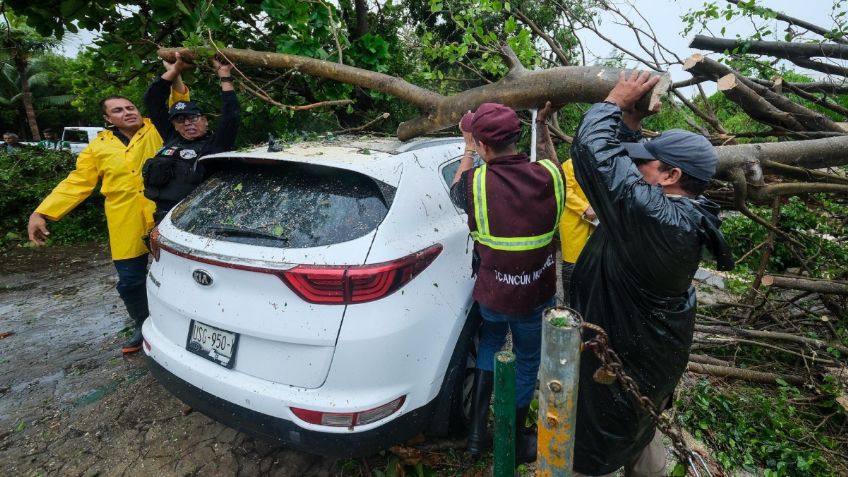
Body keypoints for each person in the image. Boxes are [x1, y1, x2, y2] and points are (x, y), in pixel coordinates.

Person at [569, 71, 734, 476]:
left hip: (623, 356)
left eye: (648, 162)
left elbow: (595, 153)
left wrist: (611, 102)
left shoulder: (656, 217)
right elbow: (622, 159)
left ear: (672, 175)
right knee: (637, 425)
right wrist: (631, 119)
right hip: (647, 354)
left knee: (599, 439)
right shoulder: (681, 212)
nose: (637, 165)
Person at [27, 72, 190, 355]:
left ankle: (187, 325)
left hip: (165, 214)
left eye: (130, 107)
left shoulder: (159, 129)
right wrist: (42, 212)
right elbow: (77, 183)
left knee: (180, 273)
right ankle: (143, 323)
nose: (127, 112)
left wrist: (175, 72)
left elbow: (180, 102)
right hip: (123, 219)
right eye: (118, 110)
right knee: (130, 280)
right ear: (107, 119)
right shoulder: (98, 147)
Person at [450, 103, 565, 464]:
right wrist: (542, 125)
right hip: (534, 293)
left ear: (483, 147)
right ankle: (512, 438)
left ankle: (475, 435)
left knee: (491, 343)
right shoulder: (551, 176)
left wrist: (467, 148)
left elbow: (455, 192)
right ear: (518, 137)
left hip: (494, 293)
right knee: (529, 358)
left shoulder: (475, 183)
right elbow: (550, 159)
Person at [142, 53, 240, 224]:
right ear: (174, 125)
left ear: (205, 120)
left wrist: (224, 75)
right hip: (163, 219)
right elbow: (153, 101)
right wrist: (174, 70)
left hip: (197, 219)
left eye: (193, 117)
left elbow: (231, 116)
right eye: (180, 120)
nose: (187, 123)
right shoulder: (172, 137)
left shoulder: (216, 145)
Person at [533, 104, 595, 305]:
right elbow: (565, 190)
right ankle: (570, 302)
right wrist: (585, 208)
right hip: (574, 224)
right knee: (572, 265)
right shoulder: (570, 165)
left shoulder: (602, 166)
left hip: (596, 228)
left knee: (593, 267)